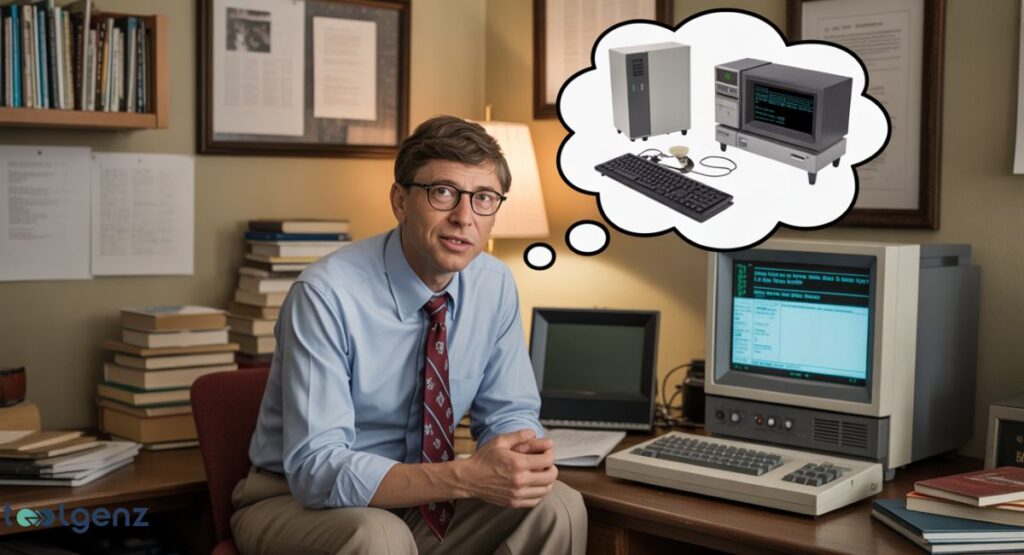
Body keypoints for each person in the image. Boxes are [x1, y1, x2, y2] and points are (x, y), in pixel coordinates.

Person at [230, 115, 588, 554]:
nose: (464, 217)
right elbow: (316, 469)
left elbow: (510, 412)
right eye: (443, 192)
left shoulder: (493, 284)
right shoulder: (326, 295)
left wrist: (516, 457)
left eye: (483, 198)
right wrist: (465, 476)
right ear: (400, 201)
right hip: (296, 502)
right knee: (380, 536)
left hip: (427, 499)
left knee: (559, 505)